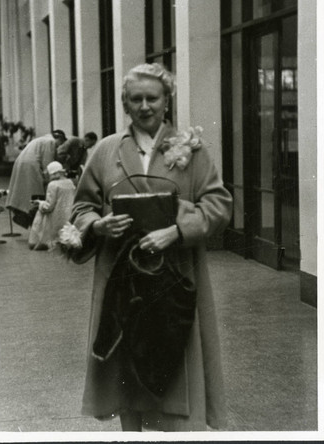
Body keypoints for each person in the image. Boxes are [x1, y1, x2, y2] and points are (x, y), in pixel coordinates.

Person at [68, 63, 233, 431]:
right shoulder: (106, 151)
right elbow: (80, 208)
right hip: (121, 282)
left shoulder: (191, 150)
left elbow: (219, 205)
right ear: (125, 104)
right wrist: (98, 224)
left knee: (174, 363)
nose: (145, 106)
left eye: (152, 98)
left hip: (175, 279)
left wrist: (176, 230)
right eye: (136, 99)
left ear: (167, 101)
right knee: (126, 371)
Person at [6, 130, 67, 229]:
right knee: (36, 193)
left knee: (25, 194)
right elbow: (48, 165)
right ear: (59, 138)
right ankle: (30, 217)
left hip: (22, 163)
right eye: (61, 143)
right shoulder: (50, 142)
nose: (59, 147)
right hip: (31, 166)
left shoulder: (42, 139)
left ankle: (24, 214)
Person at [28, 161, 76, 250]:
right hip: (69, 216)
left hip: (56, 219)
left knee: (38, 216)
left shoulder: (52, 185)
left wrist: (40, 203)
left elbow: (48, 207)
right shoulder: (70, 183)